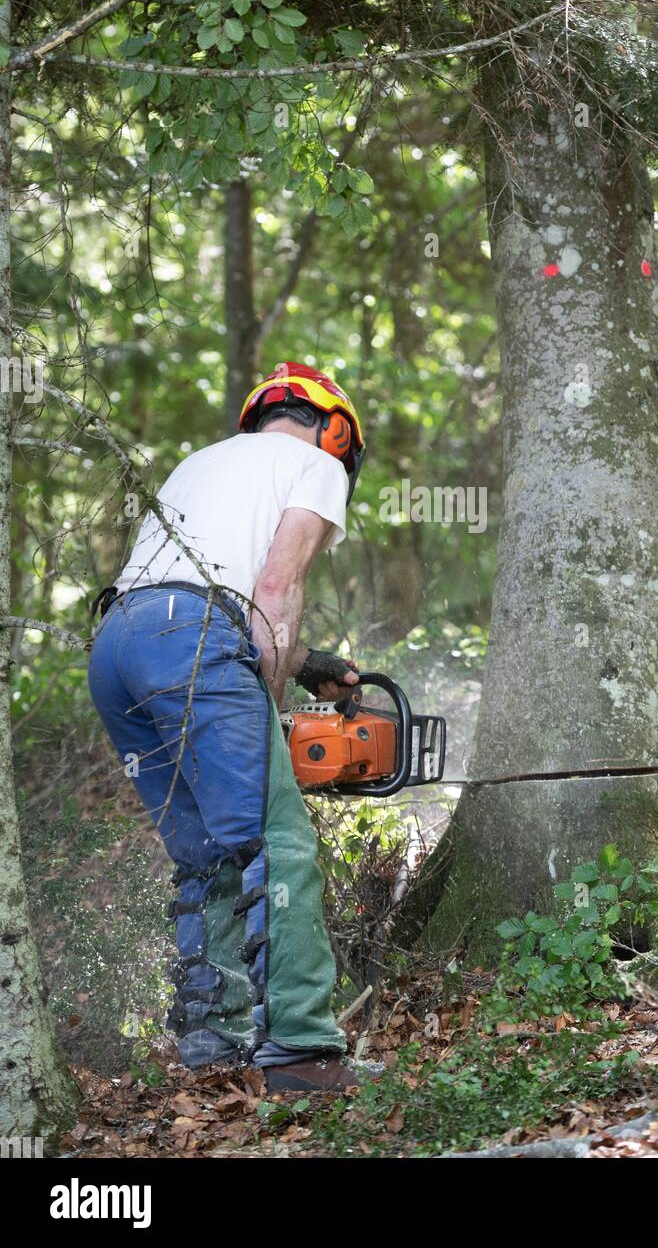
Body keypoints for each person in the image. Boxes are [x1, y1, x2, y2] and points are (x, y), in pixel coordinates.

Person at [88, 361, 367, 1093]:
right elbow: (272, 590)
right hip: (193, 641)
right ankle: (302, 1049)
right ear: (334, 429)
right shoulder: (315, 465)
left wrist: (303, 663)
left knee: (207, 851)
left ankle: (213, 1041)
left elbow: (192, 590)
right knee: (276, 841)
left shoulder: (203, 462)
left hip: (117, 642)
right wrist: (268, 715)